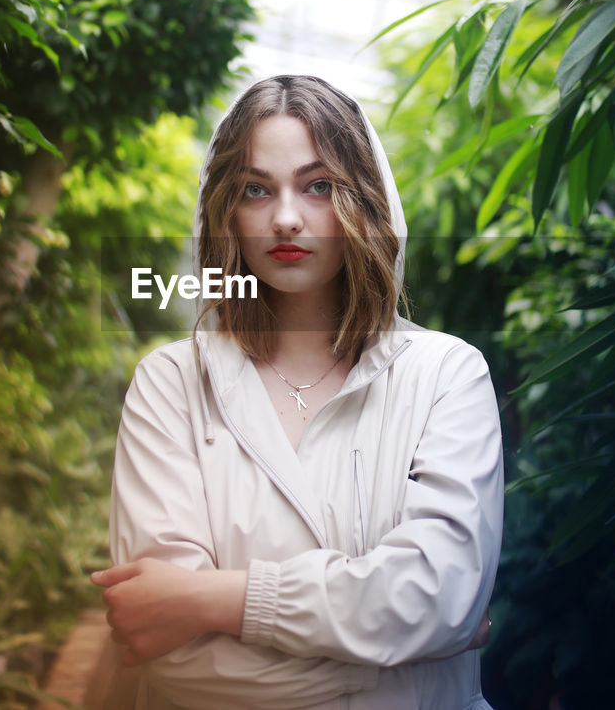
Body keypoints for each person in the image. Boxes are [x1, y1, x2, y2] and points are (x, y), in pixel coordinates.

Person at [92, 75, 504, 709]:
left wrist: (214, 601)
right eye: (256, 189)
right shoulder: (171, 383)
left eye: (319, 186)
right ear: (226, 210)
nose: (286, 217)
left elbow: (440, 598)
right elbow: (175, 659)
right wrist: (403, 653)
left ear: (364, 200)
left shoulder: (446, 374)